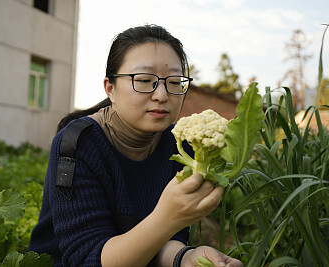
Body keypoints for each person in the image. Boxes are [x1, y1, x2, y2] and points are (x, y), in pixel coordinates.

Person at [28, 24, 243, 267]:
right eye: (143, 80)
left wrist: (186, 257)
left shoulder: (182, 145)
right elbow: (87, 259)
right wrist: (166, 219)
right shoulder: (79, 144)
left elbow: (162, 242)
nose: (162, 95)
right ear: (110, 88)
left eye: (174, 81)